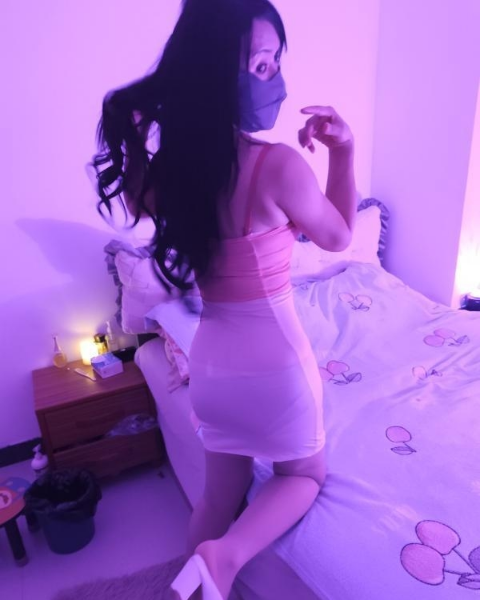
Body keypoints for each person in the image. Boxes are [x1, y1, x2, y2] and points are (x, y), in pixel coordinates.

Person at [92, 0, 357, 598]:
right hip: (276, 365)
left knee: (217, 497)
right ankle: (227, 556)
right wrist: (343, 150)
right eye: (261, 65)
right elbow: (341, 234)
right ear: (215, 73)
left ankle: (194, 580)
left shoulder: (165, 177)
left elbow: (133, 184)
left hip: (211, 363)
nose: (276, 79)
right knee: (305, 476)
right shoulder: (280, 166)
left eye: (276, 62)